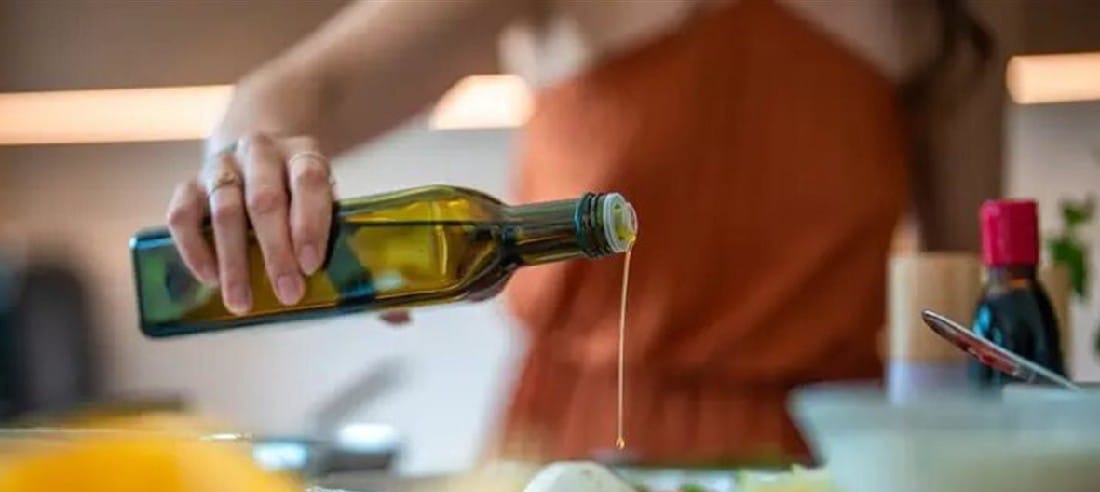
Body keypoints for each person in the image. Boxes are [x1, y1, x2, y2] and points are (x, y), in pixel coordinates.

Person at [167, 0, 1005, 465]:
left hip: (826, 475)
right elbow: (300, 90)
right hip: (570, 467)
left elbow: (970, 306)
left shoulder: (953, 18)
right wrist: (252, 164)